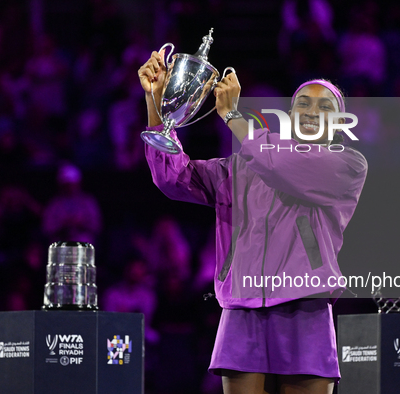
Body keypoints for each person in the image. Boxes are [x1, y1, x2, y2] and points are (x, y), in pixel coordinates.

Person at [139, 49, 367, 394]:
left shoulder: (347, 165)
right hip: (241, 307)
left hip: (304, 309)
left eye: (325, 107)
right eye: (303, 103)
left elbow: (282, 167)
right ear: (290, 115)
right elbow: (172, 178)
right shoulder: (244, 164)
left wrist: (232, 116)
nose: (312, 112)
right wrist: (156, 103)